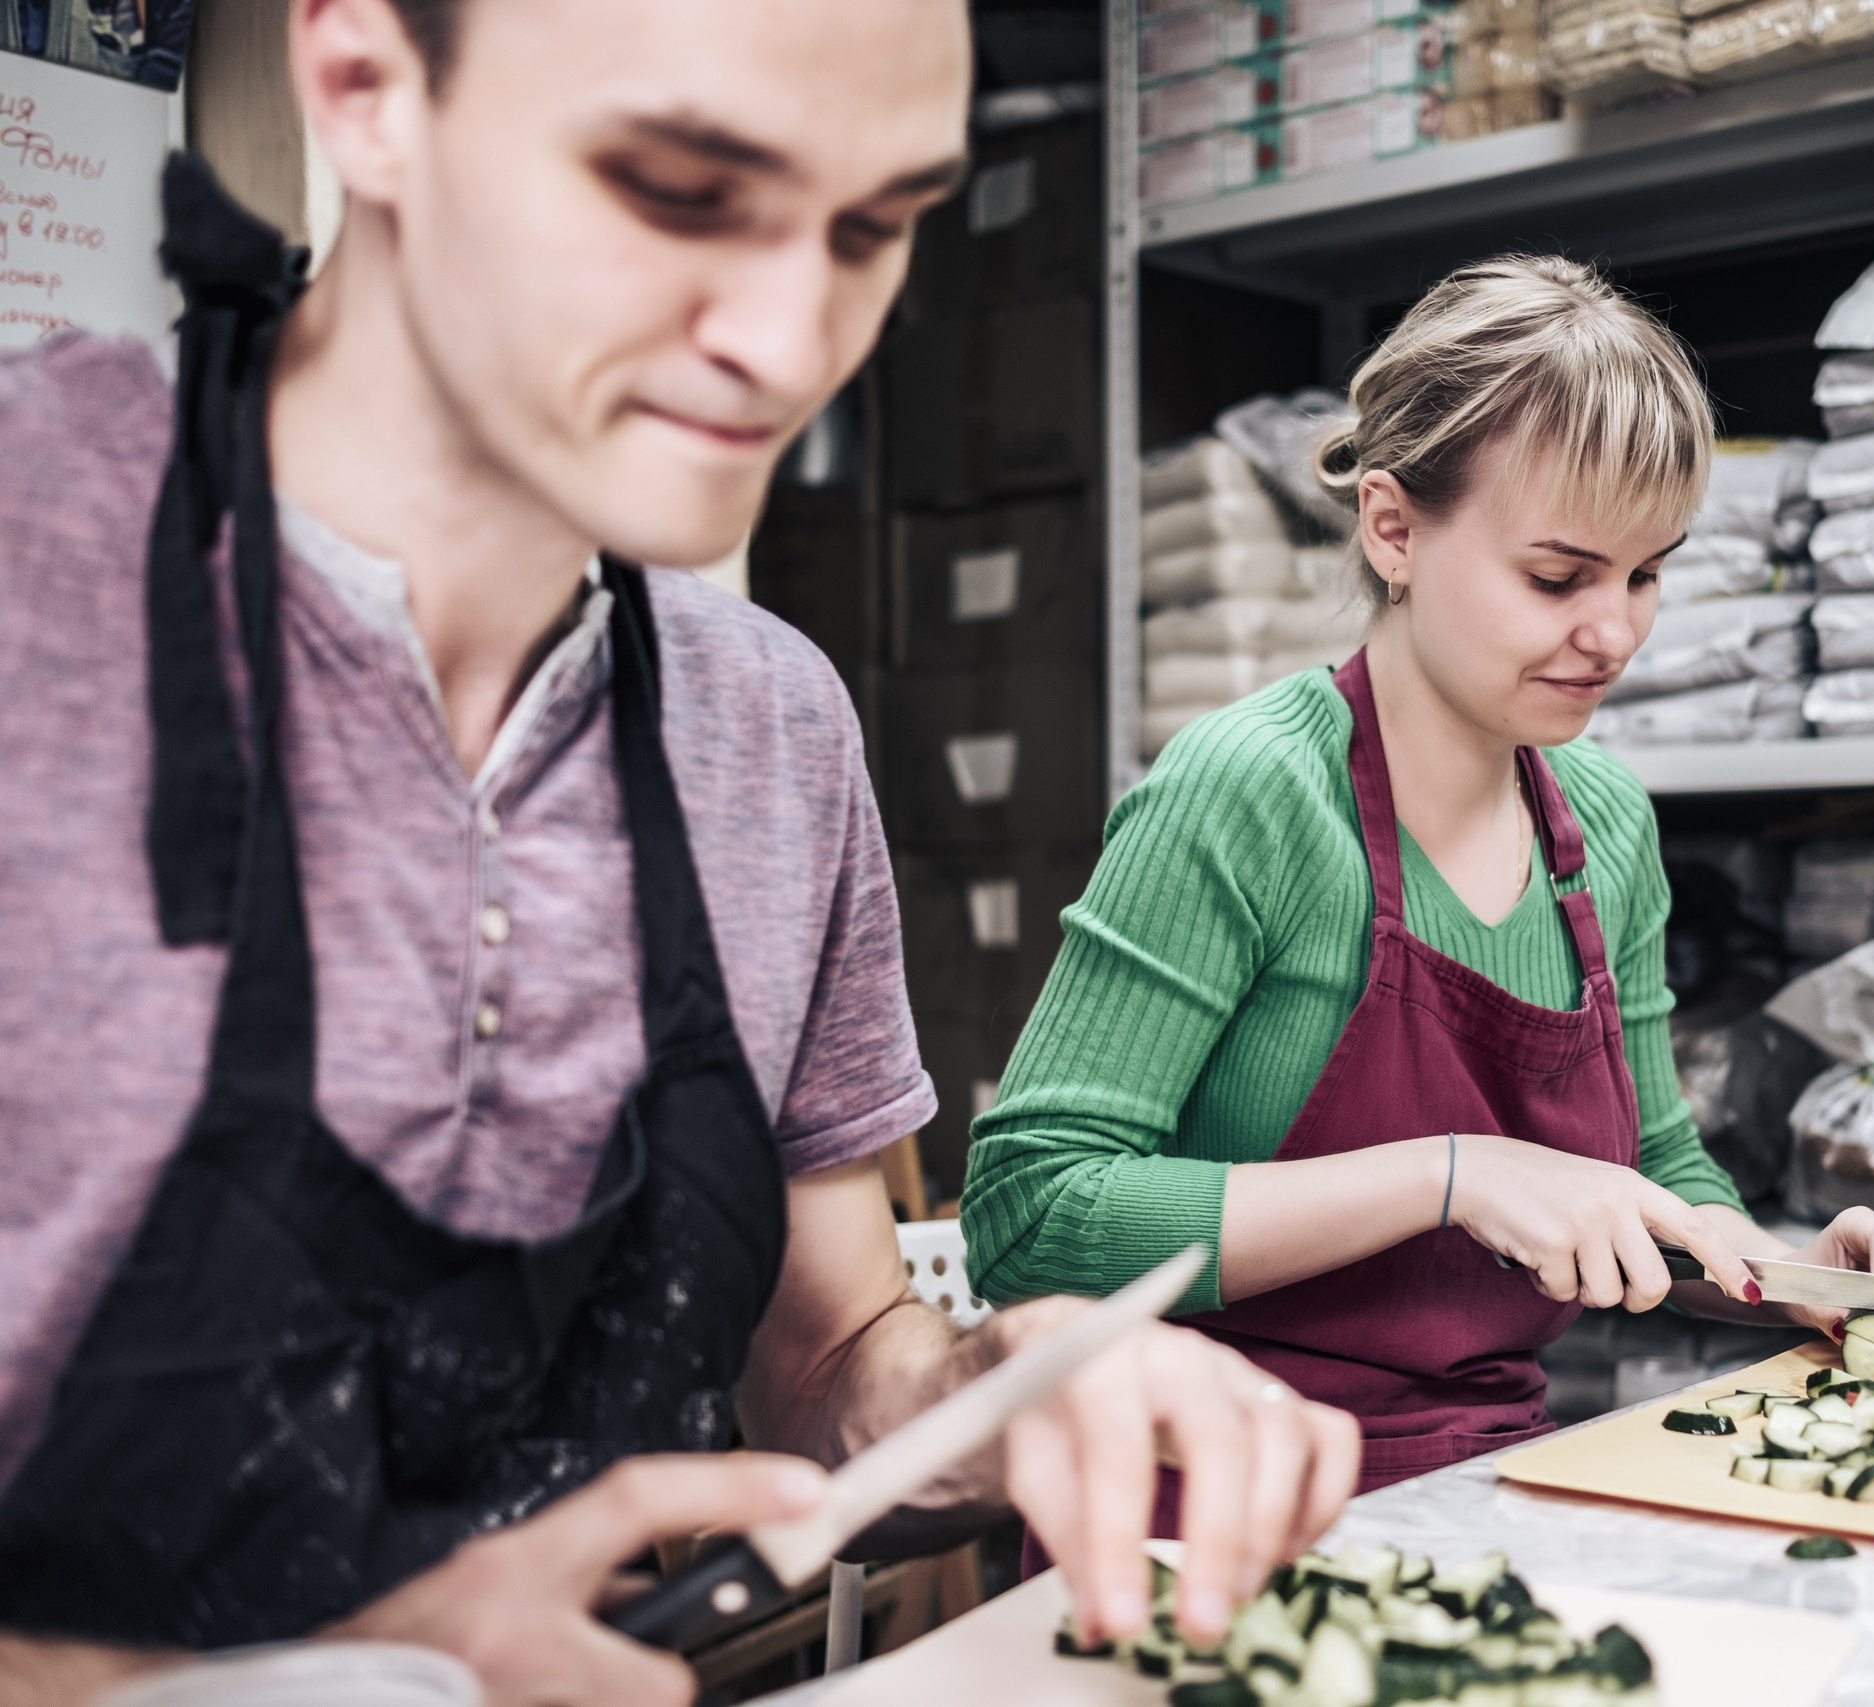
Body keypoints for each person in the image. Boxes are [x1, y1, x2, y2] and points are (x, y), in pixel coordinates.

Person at [0, 0, 1360, 1701]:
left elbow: (826, 1355)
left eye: (874, 227)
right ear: (365, 88)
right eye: (678, 189)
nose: (793, 342)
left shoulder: (768, 726)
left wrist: (999, 1392)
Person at [961, 257, 1874, 1513]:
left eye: (1645, 573)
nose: (1614, 633)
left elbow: (1655, 1163)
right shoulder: (1248, 793)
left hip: (1492, 1491)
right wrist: (1449, 1174)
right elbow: (1028, 1216)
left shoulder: (1601, 824)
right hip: (1200, 1497)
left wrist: (1788, 1270)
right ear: (1393, 528)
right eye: (1558, 578)